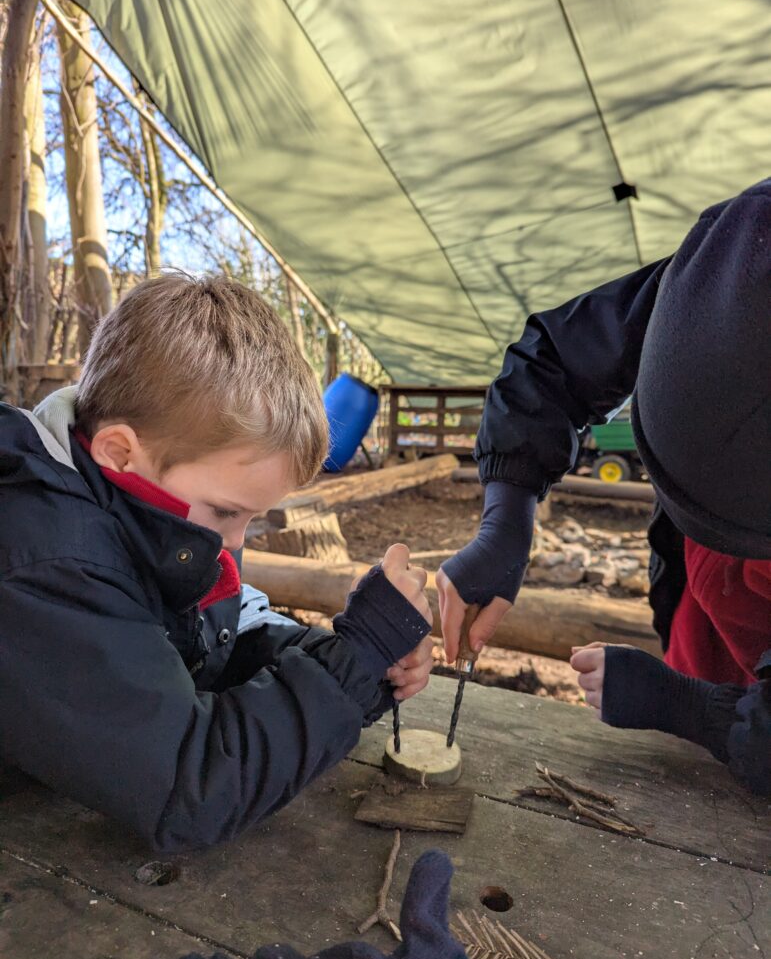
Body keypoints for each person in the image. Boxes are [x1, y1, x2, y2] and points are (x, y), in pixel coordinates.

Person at [0, 274, 434, 852]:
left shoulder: (145, 509)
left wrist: (351, 662)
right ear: (120, 452)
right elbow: (188, 787)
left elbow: (205, 643)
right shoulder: (44, 559)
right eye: (227, 512)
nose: (234, 543)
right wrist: (348, 668)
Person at [437, 179, 770, 794]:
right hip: (703, 608)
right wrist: (506, 518)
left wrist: (697, 711)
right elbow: (553, 362)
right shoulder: (729, 264)